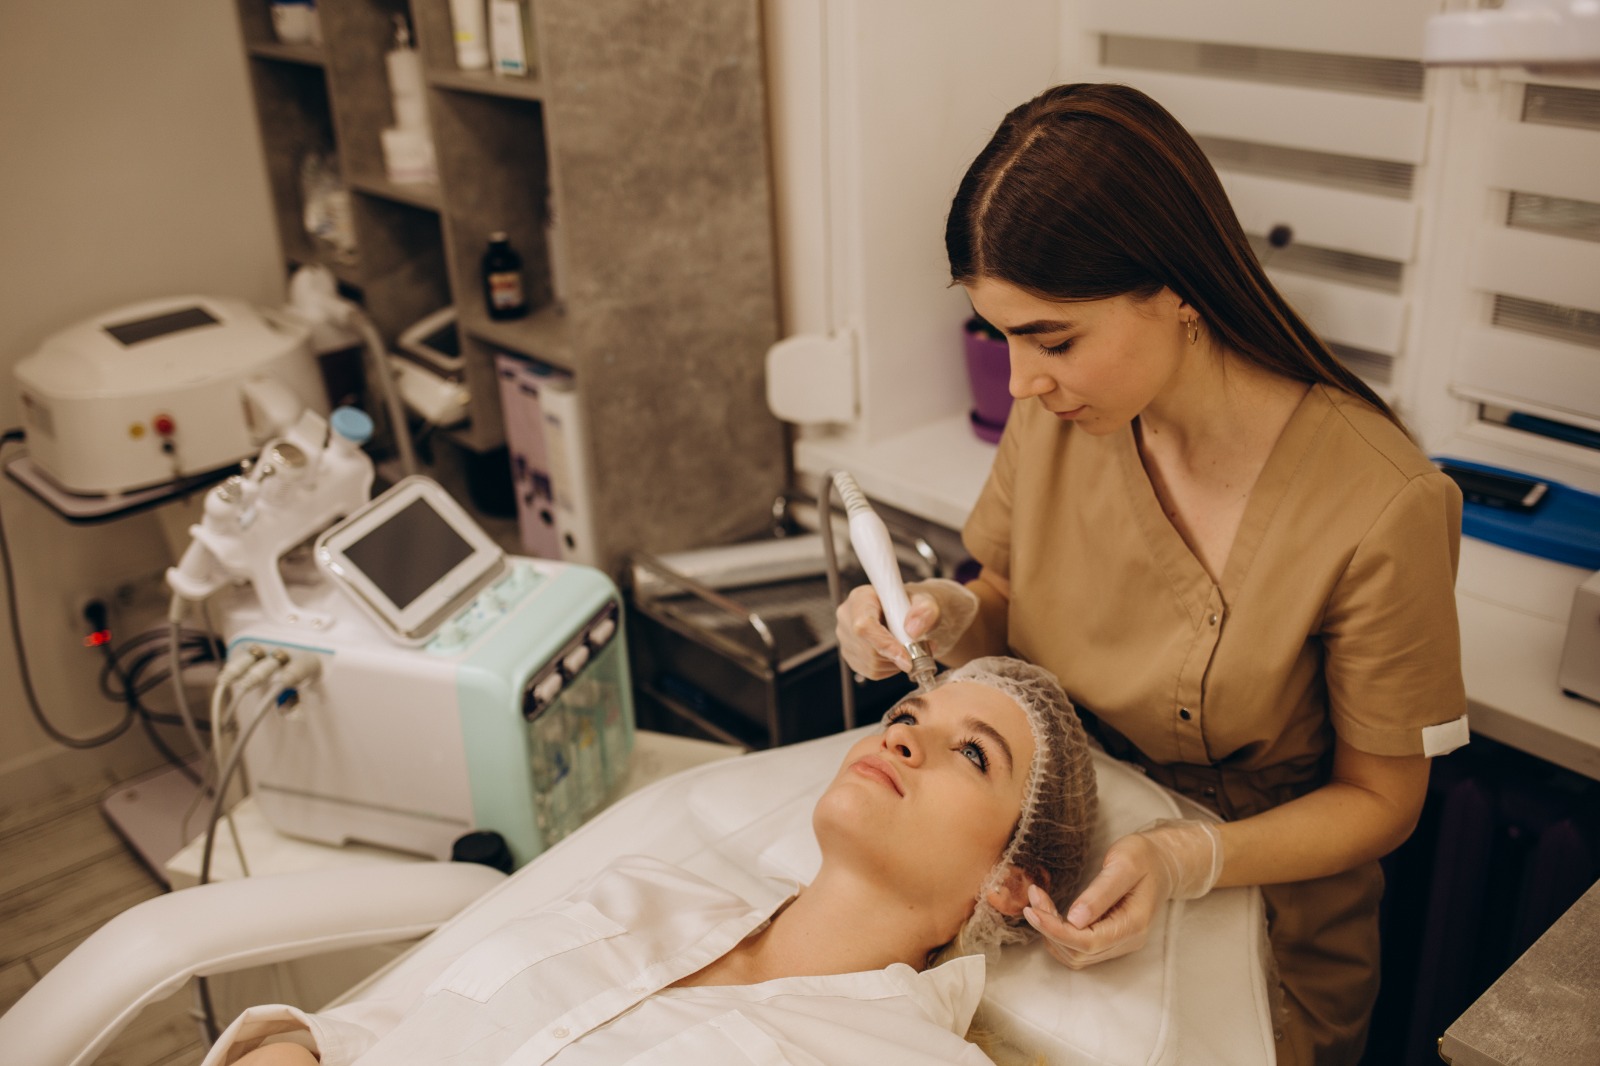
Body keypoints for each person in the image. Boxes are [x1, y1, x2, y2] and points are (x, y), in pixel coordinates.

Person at [836, 83, 1469, 1066]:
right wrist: (941, 614)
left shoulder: (1384, 503)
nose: (1021, 382)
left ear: (1177, 291)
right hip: (1060, 872)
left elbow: (1384, 800)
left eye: (1053, 339)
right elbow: (1006, 600)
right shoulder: (1060, 415)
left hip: (1262, 916)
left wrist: (1188, 857)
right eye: (1003, 335)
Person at [207, 657, 1098, 1066]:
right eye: (905, 716)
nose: (902, 739)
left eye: (973, 754)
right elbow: (405, 1025)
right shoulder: (638, 893)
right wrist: (297, 1049)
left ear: (1011, 883)